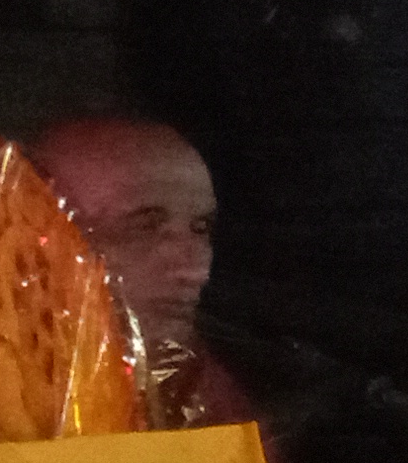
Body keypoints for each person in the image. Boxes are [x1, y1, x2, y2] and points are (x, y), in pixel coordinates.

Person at [29, 114, 254, 429]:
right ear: (39, 239)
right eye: (144, 227)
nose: (196, 271)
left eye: (201, 227)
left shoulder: (211, 397)